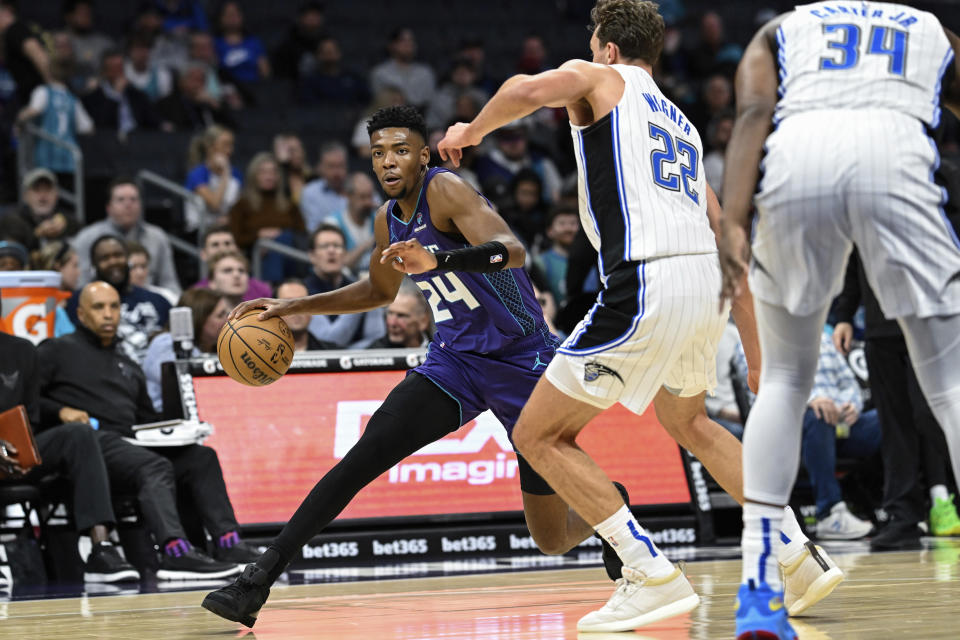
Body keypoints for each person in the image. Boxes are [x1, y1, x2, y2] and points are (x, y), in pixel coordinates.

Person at [437, 1, 839, 633]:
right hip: (704, 282)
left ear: (608, 49)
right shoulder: (680, 123)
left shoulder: (602, 79)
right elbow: (724, 233)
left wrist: (470, 131)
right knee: (691, 421)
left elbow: (524, 88)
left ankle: (646, 570)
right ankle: (795, 552)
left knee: (537, 435)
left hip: (646, 280)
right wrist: (756, 354)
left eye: (592, 45)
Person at [717, 3, 960, 638]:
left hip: (801, 157)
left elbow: (751, 113)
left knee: (786, 380)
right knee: (951, 385)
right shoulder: (930, 29)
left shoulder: (782, 28)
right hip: (897, 154)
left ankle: (760, 591)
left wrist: (734, 222)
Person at [40, 281, 258, 578]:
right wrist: (60, 411)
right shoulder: (56, 350)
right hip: (89, 447)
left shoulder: (127, 363)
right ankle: (174, 551)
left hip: (132, 445)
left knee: (200, 458)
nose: (108, 314)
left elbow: (147, 419)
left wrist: (180, 429)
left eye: (114, 307)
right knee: (152, 465)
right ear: (80, 314)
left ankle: (227, 542)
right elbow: (29, 402)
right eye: (99, 307)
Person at [833, 249, 960, 548]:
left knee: (931, 416)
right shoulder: (859, 205)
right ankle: (903, 515)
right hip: (881, 327)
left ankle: (943, 496)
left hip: (929, 318)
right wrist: (845, 315)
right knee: (893, 425)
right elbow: (855, 256)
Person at [0, 331, 139, 583]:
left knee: (78, 434)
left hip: (14, 452)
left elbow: (30, 419)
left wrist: (14, 450)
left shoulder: (22, 350)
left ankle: (101, 549)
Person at [733, 328, 880, 539]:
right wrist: (811, 400)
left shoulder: (823, 338)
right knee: (817, 415)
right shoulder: (752, 337)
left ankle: (897, 508)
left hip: (840, 423)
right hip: (791, 427)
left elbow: (848, 383)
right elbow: (758, 388)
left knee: (887, 421)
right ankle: (830, 514)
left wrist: (851, 405)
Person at [66, 235, 172, 365]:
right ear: (94, 264)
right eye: (105, 258)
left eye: (118, 255)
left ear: (128, 259)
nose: (113, 261)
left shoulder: (158, 301)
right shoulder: (81, 299)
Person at [73, 178, 180, 294]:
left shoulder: (157, 237)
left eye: (133, 199)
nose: (128, 205)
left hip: (148, 303)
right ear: (108, 207)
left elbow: (170, 283)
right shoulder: (87, 238)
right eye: (121, 200)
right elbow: (80, 284)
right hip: (101, 301)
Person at [142, 287, 230, 411]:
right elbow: (181, 389)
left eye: (227, 313)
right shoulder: (166, 343)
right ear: (200, 319)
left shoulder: (217, 347)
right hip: (164, 419)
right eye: (221, 315)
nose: (228, 320)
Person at [303, 224, 384, 348]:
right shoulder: (302, 291)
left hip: (361, 365)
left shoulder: (359, 285)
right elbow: (329, 340)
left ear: (345, 254)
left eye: (337, 246)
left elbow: (376, 338)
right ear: (312, 256)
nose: (331, 251)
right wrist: (360, 296)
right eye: (324, 246)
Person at [17, 53, 94, 176]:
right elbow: (88, 127)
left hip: (45, 156)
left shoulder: (43, 91)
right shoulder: (73, 99)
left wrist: (19, 119)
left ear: (48, 72)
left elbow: (33, 111)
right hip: (68, 158)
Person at [227, 153, 305, 261]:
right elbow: (235, 239)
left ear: (279, 176)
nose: (269, 177)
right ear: (253, 175)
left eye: (273, 172)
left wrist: (279, 234)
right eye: (263, 172)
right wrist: (259, 235)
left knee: (284, 239)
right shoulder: (241, 205)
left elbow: (302, 233)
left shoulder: (289, 205)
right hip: (255, 257)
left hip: (289, 255)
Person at [81, 48, 157, 136]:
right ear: (105, 72)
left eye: (121, 68)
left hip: (137, 139)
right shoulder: (93, 98)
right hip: (109, 141)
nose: (120, 73)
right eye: (115, 68)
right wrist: (116, 95)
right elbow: (101, 124)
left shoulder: (135, 94)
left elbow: (151, 118)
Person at [2, 168, 78, 251]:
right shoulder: (12, 221)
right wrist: (38, 234)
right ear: (25, 196)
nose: (42, 196)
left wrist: (64, 229)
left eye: (47, 190)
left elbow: (80, 231)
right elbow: (11, 253)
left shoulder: (67, 219)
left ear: (56, 194)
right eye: (37, 190)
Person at [184, 124, 242, 232]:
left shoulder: (236, 174)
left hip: (228, 228)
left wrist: (230, 218)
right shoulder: (197, 174)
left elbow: (240, 208)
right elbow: (215, 204)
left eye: (231, 145)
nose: (230, 150)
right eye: (225, 145)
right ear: (210, 148)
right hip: (200, 231)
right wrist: (225, 174)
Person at [193, 225, 272, 300]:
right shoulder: (196, 295)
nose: (223, 249)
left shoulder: (261, 289)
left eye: (227, 243)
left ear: (237, 249)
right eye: (215, 245)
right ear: (203, 254)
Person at [0, 0, 51, 108]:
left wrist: (55, 89)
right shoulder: (11, 36)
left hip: (40, 102)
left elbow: (39, 56)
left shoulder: (15, 30)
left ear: (7, 12)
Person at [369, 27, 435, 109]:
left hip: (420, 116)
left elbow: (430, 102)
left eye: (411, 41)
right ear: (391, 45)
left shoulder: (425, 73)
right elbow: (379, 102)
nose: (408, 45)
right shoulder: (380, 73)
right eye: (403, 41)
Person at [324, 172, 377, 273]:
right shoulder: (333, 224)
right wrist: (369, 243)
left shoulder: (379, 218)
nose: (368, 202)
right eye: (362, 197)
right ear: (348, 196)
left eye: (370, 197)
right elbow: (339, 263)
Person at [214, 2, 270, 85]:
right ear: (221, 19)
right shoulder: (215, 43)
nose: (232, 18)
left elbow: (265, 70)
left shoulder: (253, 42)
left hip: (254, 87)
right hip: (229, 89)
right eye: (228, 15)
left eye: (235, 14)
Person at [533, 207, 579, 306]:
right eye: (562, 223)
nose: (568, 228)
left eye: (573, 223)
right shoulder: (541, 262)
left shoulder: (593, 260)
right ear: (550, 231)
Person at [275, 279, 337, 351]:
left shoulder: (331, 352)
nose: (296, 310)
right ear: (275, 311)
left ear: (312, 310)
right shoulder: (261, 355)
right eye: (288, 304)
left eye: (302, 303)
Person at [300, 142, 348, 234]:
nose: (336, 172)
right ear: (321, 167)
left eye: (340, 166)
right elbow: (315, 231)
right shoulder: (310, 193)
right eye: (331, 166)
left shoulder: (360, 188)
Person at [61, 0, 113, 84]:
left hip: (97, 89)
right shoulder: (58, 40)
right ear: (69, 16)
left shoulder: (104, 44)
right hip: (65, 90)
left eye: (89, 13)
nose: (86, 17)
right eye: (82, 13)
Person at [367, 283, 431, 349]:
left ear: (423, 321)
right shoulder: (375, 353)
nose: (392, 323)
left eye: (401, 316)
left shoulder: (439, 348)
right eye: (390, 313)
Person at [124, 32, 174, 101]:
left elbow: (165, 103)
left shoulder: (162, 74)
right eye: (138, 48)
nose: (142, 53)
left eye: (146, 48)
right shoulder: (122, 72)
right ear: (130, 51)